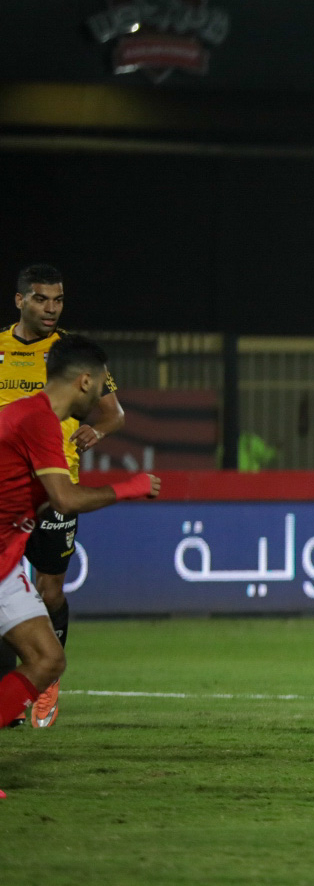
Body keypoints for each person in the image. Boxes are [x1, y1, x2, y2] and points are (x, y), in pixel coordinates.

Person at [0, 336, 157, 766]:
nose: (103, 397)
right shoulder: (39, 423)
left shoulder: (33, 416)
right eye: (101, 387)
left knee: (48, 660)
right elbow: (65, 499)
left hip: (6, 560)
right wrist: (130, 487)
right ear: (85, 381)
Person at [0, 265, 125, 729]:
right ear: (20, 301)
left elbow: (115, 414)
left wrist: (96, 427)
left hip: (55, 491)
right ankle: (13, 693)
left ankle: (46, 680)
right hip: (5, 493)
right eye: (41, 299)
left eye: (58, 300)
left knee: (49, 589)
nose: (51, 308)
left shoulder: (72, 353)